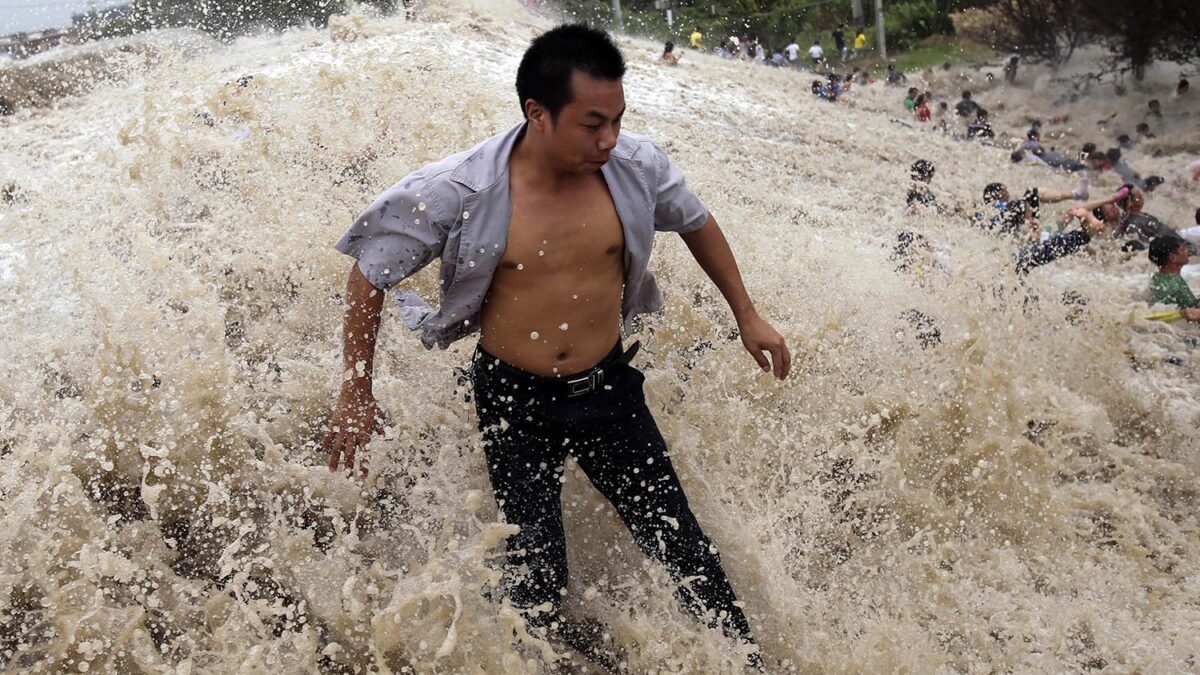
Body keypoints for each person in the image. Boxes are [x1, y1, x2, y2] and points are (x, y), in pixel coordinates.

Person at [327, 24, 787, 669]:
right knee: (538, 570)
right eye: (592, 124)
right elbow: (368, 273)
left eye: (618, 120)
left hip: (608, 392)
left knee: (682, 546)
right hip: (514, 398)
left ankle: (749, 665)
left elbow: (698, 223)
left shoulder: (633, 169)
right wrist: (356, 391)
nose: (609, 140)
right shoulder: (460, 188)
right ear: (536, 113)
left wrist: (748, 315)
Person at [1147, 237, 1200, 319]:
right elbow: (1194, 310)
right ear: (1172, 258)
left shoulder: (1157, 277)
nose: (1187, 251)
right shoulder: (1176, 283)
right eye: (1182, 250)